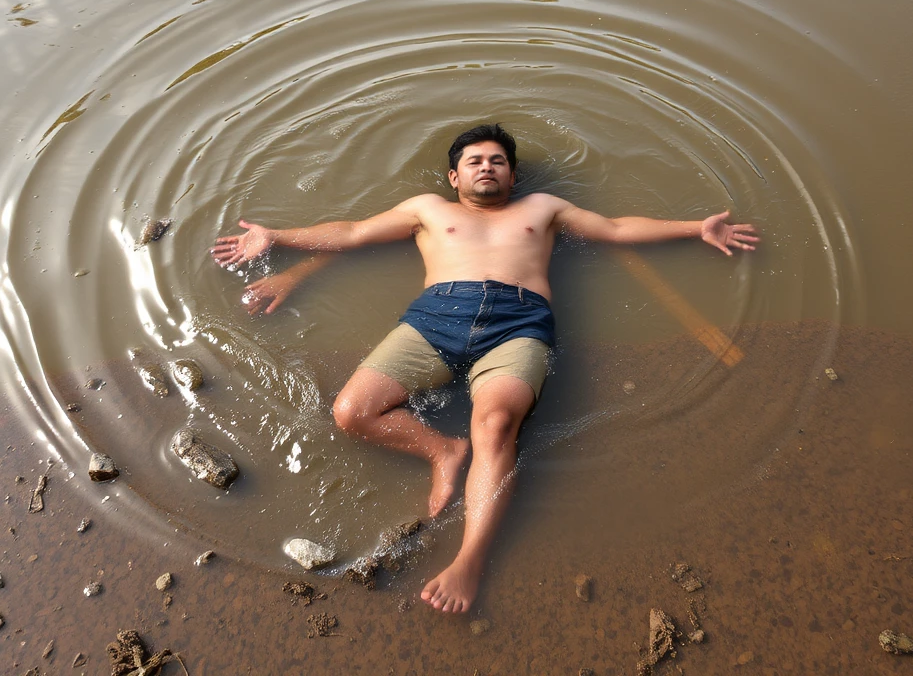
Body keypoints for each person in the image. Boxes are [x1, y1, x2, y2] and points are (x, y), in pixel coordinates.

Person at [210, 123, 759, 613]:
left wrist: (694, 228)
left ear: (513, 174)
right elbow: (352, 234)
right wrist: (276, 239)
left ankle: (470, 559)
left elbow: (615, 229)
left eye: (497, 160)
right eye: (474, 161)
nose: (486, 167)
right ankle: (440, 450)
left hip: (518, 325)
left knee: (495, 424)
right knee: (351, 412)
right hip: (433, 319)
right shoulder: (427, 209)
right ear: (454, 176)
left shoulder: (544, 208)